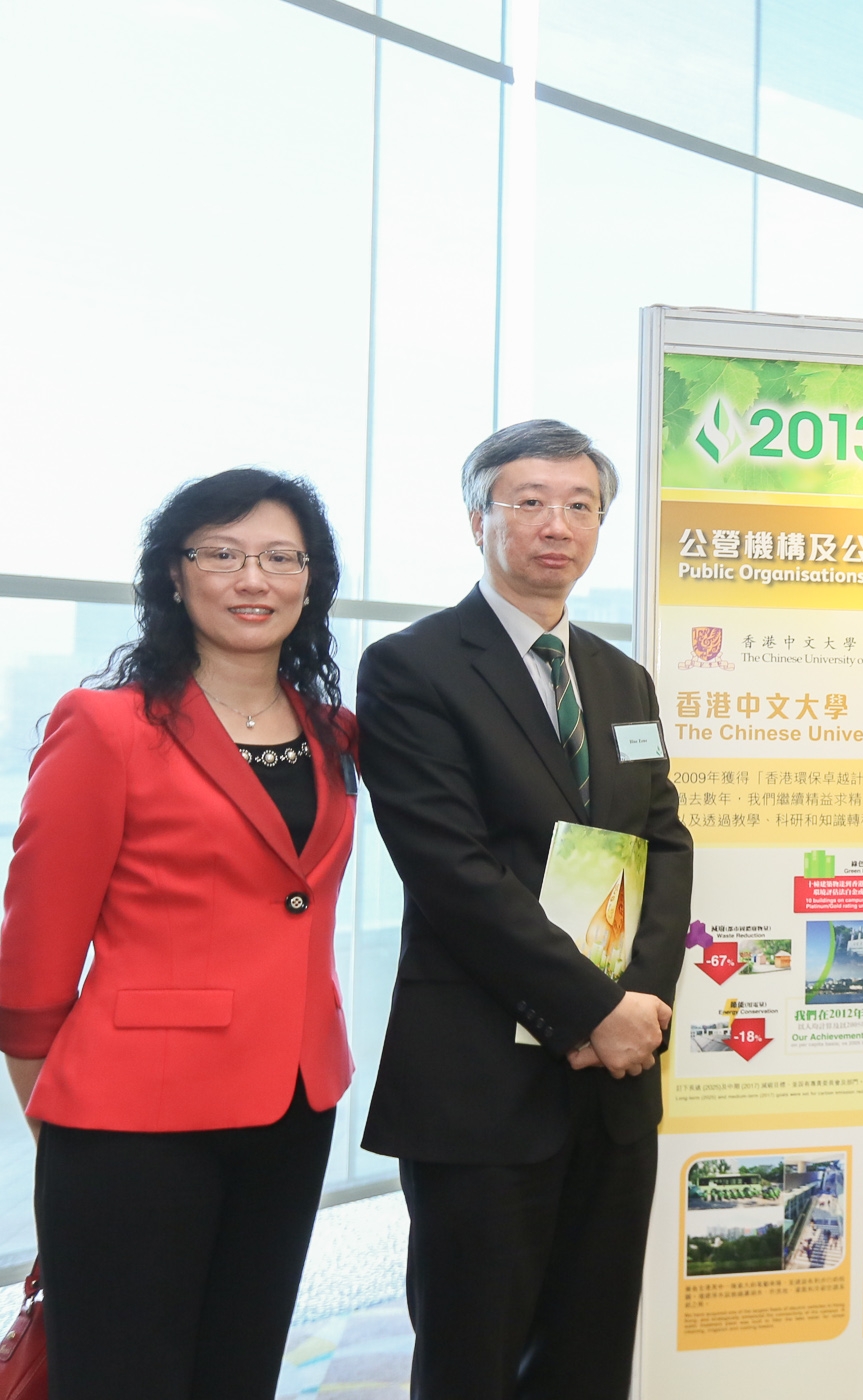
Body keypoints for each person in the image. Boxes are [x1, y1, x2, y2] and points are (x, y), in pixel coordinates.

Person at [0, 470, 359, 1398]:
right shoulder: (107, 725)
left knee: (239, 1369)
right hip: (132, 1123)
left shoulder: (333, 733)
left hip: (294, 1102)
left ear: (311, 581)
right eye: (223, 555)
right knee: (124, 1374)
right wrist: (57, 1111)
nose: (255, 580)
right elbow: (37, 943)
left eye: (282, 558)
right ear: (173, 574)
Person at [356, 420, 693, 1400]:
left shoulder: (622, 679)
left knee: (591, 1351)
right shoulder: (415, 667)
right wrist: (592, 1007)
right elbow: (453, 871)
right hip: (481, 1081)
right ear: (478, 518)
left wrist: (643, 1001)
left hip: (615, 1081)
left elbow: (662, 842)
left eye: (581, 505)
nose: (560, 525)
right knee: (472, 1352)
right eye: (531, 501)